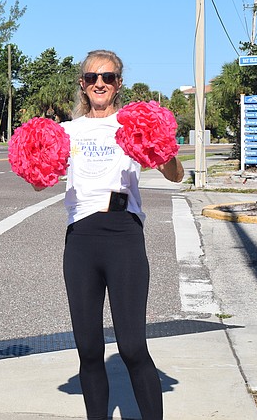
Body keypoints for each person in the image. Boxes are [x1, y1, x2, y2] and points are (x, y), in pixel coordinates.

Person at [44, 49, 183, 420]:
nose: (99, 83)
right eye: (92, 78)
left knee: (133, 346)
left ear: (119, 83)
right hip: (81, 240)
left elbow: (176, 175)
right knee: (88, 350)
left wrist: (163, 147)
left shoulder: (133, 123)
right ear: (82, 84)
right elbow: (38, 179)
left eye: (107, 77)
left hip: (123, 234)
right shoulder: (67, 131)